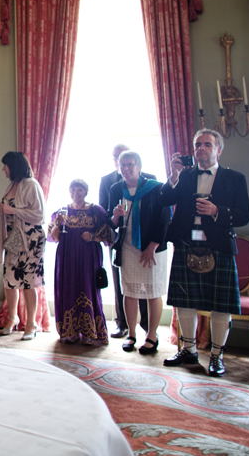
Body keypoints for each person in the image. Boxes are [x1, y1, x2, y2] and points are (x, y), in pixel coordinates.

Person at [159, 129, 249, 377]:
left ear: (218, 149)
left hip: (218, 246)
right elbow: (164, 199)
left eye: (207, 145)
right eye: (197, 144)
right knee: (184, 302)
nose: (201, 148)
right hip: (186, 245)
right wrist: (174, 176)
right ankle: (188, 349)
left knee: (221, 306)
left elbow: (244, 215)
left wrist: (216, 211)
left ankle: (216, 356)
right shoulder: (185, 176)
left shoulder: (235, 178)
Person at [107, 151, 171, 355]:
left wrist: (152, 245)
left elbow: (164, 219)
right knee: (130, 291)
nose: (126, 168)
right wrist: (115, 216)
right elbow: (111, 221)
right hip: (127, 246)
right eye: (122, 165)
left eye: (130, 165)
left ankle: (152, 335)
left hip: (152, 248)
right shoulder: (117, 188)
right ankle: (131, 334)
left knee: (153, 292)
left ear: (139, 166)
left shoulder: (156, 187)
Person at [99, 143, 155, 338]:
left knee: (146, 284)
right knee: (121, 284)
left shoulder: (150, 180)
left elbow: (159, 213)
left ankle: (147, 325)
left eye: (126, 160)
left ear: (136, 164)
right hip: (118, 240)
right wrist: (113, 219)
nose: (121, 163)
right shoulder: (107, 181)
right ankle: (122, 323)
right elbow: (103, 212)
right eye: (116, 157)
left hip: (146, 241)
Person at [49, 179, 112, 345]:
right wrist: (59, 222)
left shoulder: (95, 210)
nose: (76, 193)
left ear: (86, 192)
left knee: (88, 289)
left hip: (89, 257)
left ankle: (90, 333)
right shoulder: (62, 211)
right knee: (68, 289)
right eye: (73, 189)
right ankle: (70, 331)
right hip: (66, 256)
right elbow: (54, 237)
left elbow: (107, 235)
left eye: (80, 190)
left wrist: (92, 237)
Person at [0, 151, 46, 340]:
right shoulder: (12, 185)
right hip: (15, 237)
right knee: (9, 279)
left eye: (5, 165)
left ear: (13, 165)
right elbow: (7, 210)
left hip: (31, 239)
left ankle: (31, 324)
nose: (3, 169)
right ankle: (12, 318)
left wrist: (13, 210)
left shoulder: (31, 184)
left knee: (28, 281)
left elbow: (39, 215)